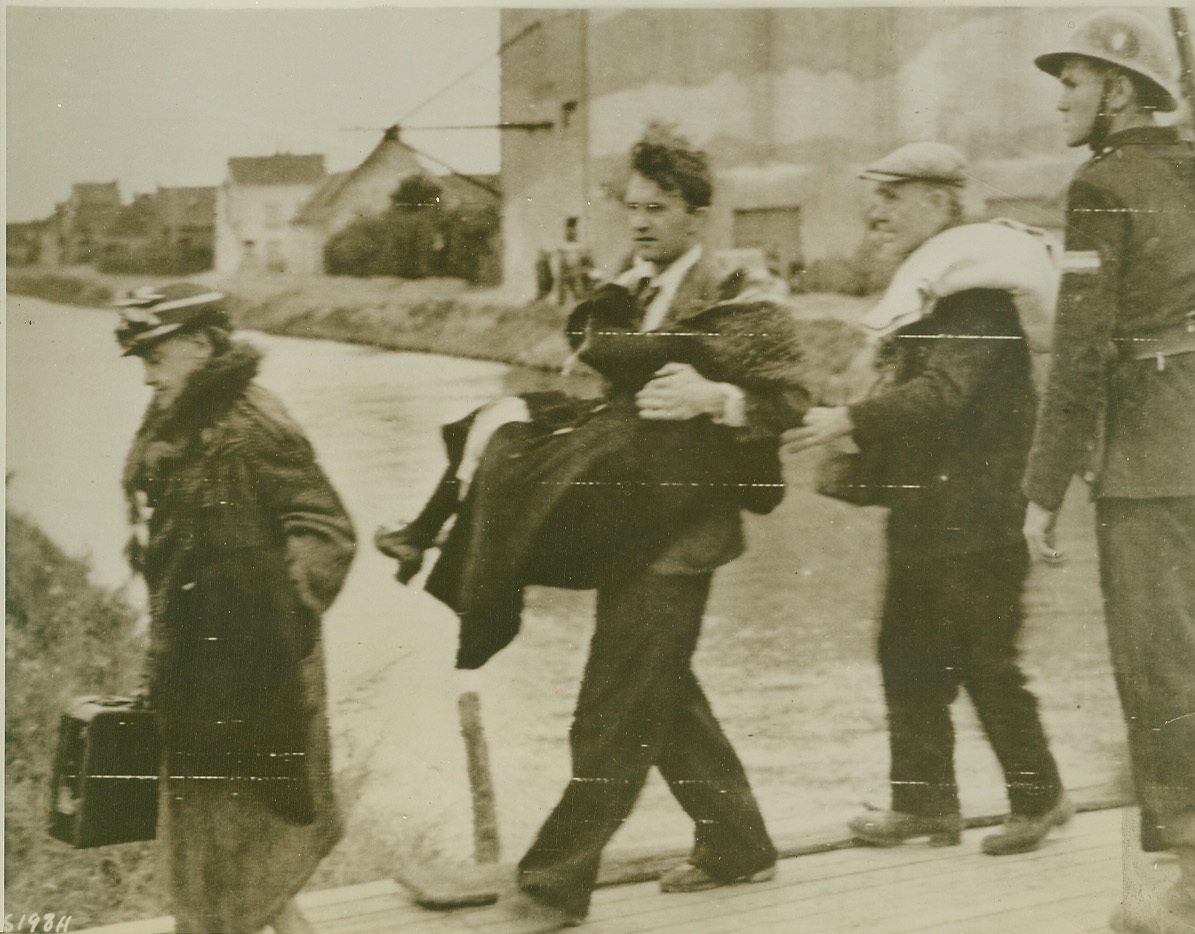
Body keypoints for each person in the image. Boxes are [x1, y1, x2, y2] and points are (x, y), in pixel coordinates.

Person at [381, 127, 806, 932]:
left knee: (610, 713)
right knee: (663, 695)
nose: (641, 221)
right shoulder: (634, 286)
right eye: (634, 207)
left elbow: (790, 400)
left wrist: (717, 400)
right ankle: (740, 843)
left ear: (698, 213)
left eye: (660, 208)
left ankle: (549, 889)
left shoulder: (734, 291)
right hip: (629, 519)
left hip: (684, 536)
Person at [783, 142, 1071, 857]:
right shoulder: (938, 293)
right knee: (904, 654)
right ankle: (925, 808)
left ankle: (1041, 798)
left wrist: (849, 420)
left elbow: (943, 397)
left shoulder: (976, 300)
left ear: (940, 203)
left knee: (985, 661)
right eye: (873, 194)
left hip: (980, 516)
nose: (874, 209)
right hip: (928, 513)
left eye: (893, 194)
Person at [1025, 11, 1195, 933]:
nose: (1061, 99)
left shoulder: (1101, 186)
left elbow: (1079, 352)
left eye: (1073, 81)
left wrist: (1042, 489)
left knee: (1163, 674)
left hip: (1145, 460)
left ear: (1117, 89)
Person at [116, 283, 357, 934]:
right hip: (195, 666)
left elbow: (327, 527)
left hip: (259, 674)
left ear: (199, 345)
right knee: (220, 852)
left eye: (154, 356)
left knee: (245, 847)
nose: (146, 374)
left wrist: (276, 607)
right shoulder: (178, 417)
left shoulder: (252, 422)